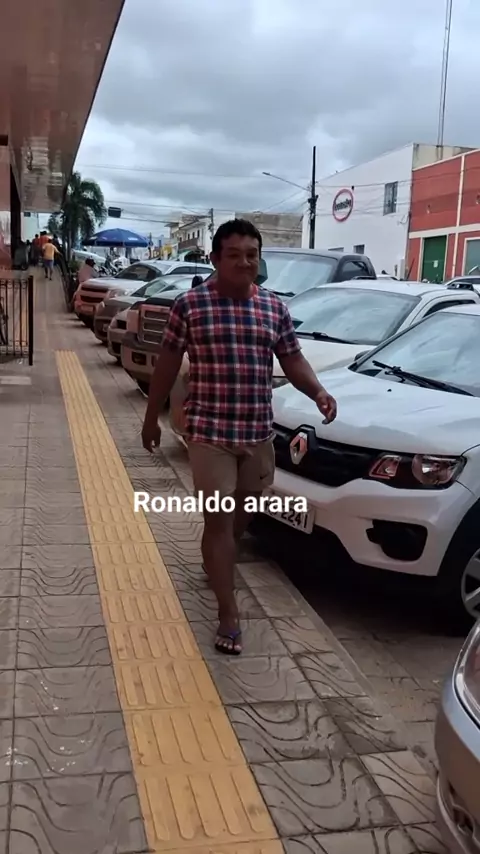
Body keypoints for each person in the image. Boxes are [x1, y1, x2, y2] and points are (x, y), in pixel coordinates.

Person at [141, 219, 337, 655]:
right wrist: (151, 417)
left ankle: (216, 557)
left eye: (252, 255)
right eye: (234, 255)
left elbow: (293, 359)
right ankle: (228, 614)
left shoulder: (273, 309)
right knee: (219, 520)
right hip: (209, 434)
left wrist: (319, 392)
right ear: (215, 259)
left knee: (241, 518)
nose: (244, 262)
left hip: (257, 432)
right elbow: (168, 363)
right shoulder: (190, 306)